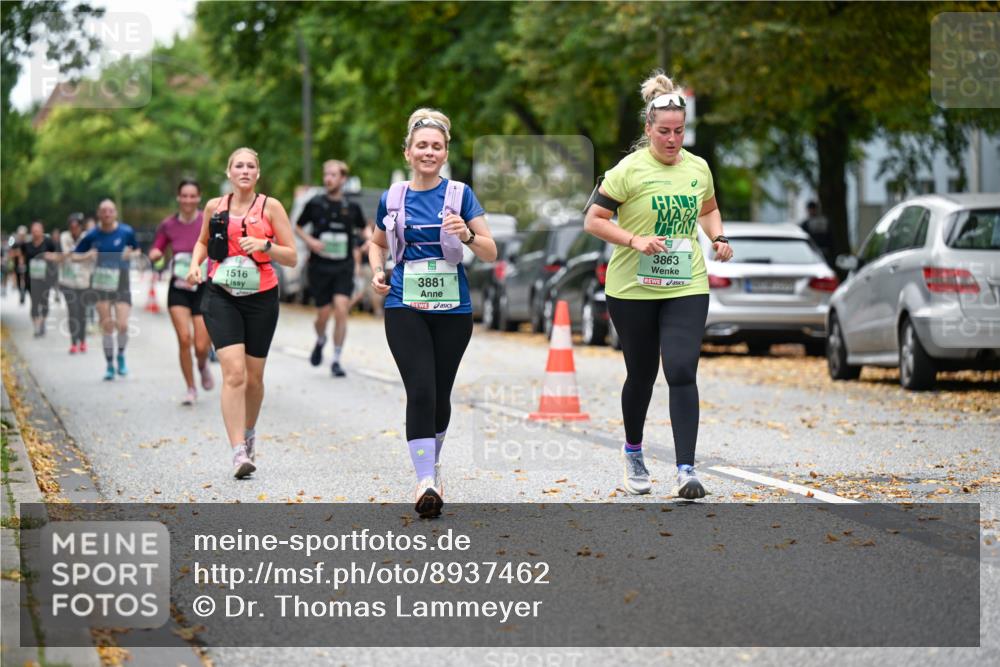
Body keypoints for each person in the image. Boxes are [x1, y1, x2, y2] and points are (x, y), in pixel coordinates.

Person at [583, 71, 733, 500]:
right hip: (632, 287)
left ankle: (686, 469)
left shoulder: (697, 168)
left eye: (679, 132)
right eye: (664, 132)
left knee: (682, 369)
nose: (672, 140)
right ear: (648, 129)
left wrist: (717, 238)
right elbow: (593, 220)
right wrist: (634, 240)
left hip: (686, 282)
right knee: (643, 374)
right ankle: (633, 452)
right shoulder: (627, 170)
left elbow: (708, 210)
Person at [369, 109, 496, 518]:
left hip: (453, 308)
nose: (428, 152)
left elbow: (491, 251)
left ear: (445, 152)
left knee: (440, 394)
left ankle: (433, 466)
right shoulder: (392, 197)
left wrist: (469, 234)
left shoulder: (460, 195)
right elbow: (375, 243)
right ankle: (424, 479)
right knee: (420, 389)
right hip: (404, 304)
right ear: (408, 152)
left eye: (436, 146)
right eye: (421, 145)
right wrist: (376, 271)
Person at [186, 147, 297, 479]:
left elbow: (291, 257)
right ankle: (237, 452)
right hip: (221, 295)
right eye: (239, 166)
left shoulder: (271, 207)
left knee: (254, 378)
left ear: (257, 173)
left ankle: (248, 432)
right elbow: (203, 242)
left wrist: (265, 246)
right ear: (229, 172)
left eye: (251, 166)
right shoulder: (214, 207)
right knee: (233, 374)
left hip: (261, 297)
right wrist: (195, 264)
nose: (245, 171)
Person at [295, 159, 367, 377]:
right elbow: (297, 226)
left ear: (343, 179)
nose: (328, 178)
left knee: (342, 309)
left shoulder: (352, 207)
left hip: (343, 266)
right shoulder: (315, 203)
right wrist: (310, 241)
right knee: (323, 314)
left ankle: (336, 358)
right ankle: (320, 338)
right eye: (326, 174)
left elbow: (366, 231)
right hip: (320, 266)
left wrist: (369, 244)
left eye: (334, 175)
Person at [149, 179, 215, 405]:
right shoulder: (168, 224)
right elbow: (157, 246)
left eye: (192, 196)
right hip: (178, 288)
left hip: (202, 287)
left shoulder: (207, 222)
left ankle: (203, 364)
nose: (188, 200)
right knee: (184, 339)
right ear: (178, 198)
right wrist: (156, 254)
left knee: (201, 345)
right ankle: (190, 387)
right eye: (184, 196)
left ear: (199, 198)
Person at [73, 199, 141, 380]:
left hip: (122, 283)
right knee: (107, 326)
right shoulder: (91, 235)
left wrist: (130, 254)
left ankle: (121, 356)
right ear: (98, 214)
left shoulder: (126, 232)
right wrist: (87, 255)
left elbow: (138, 251)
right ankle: (110, 364)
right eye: (104, 211)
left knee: (123, 325)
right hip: (101, 284)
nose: (107, 214)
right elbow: (74, 256)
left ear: (116, 213)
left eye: (110, 211)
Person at [58, 213, 94, 353]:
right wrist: (85, 255)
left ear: (80, 226)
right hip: (68, 281)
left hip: (84, 281)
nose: (74, 229)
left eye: (76, 226)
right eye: (71, 226)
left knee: (82, 312)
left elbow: (92, 255)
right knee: (73, 311)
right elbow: (68, 255)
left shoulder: (87, 237)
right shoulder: (64, 236)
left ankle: (82, 341)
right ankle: (73, 342)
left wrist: (78, 255)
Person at [21, 221, 59, 337]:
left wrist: (51, 258)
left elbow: (57, 256)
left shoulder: (48, 243)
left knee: (44, 302)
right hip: (31, 279)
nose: (35, 232)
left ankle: (43, 322)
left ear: (42, 231)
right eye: (33, 230)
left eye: (37, 230)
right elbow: (22, 257)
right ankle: (36, 326)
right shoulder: (26, 245)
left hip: (45, 278)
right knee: (34, 303)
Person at [10, 225, 28, 305]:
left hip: (26, 265)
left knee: (25, 279)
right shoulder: (15, 244)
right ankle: (21, 292)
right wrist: (17, 253)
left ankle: (23, 293)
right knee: (18, 281)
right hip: (17, 265)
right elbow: (11, 254)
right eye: (21, 234)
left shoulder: (27, 244)